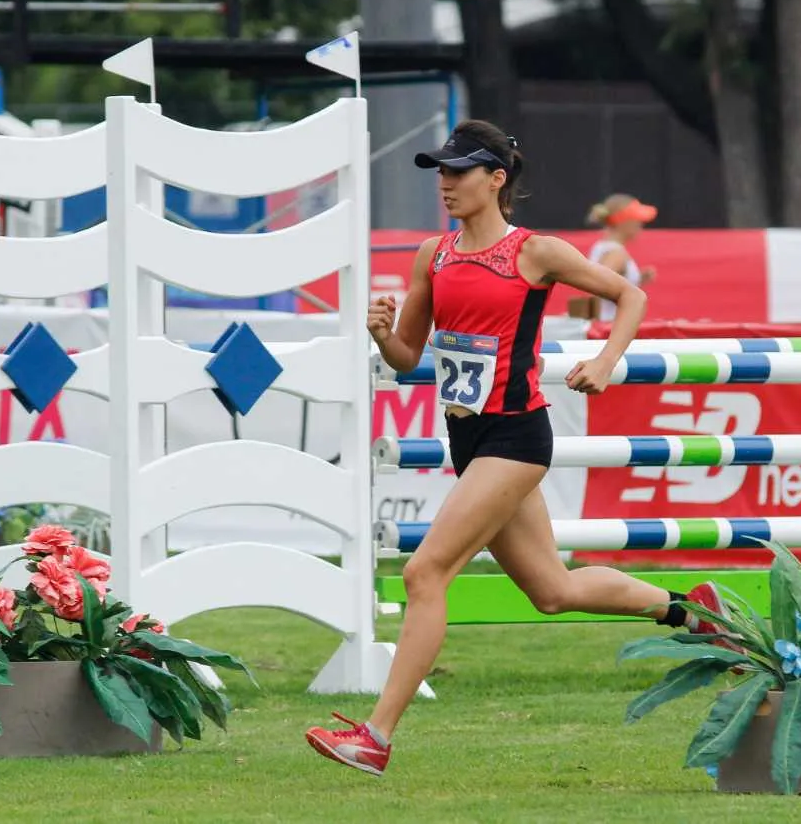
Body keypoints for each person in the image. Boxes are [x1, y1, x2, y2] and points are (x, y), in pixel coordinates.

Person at [304, 120, 735, 777]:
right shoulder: (433, 255)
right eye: (440, 171)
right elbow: (409, 355)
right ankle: (689, 608)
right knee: (553, 590)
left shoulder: (536, 252)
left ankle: (376, 736)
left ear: (496, 179)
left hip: (516, 436)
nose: (445, 182)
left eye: (458, 171)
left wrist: (606, 360)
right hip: (470, 439)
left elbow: (631, 295)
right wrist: (383, 333)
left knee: (424, 573)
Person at [585, 193, 658, 322]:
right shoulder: (616, 253)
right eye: (637, 219)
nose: (641, 224)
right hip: (609, 324)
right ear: (624, 222)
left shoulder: (602, 247)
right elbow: (597, 286)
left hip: (607, 323)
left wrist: (638, 279)